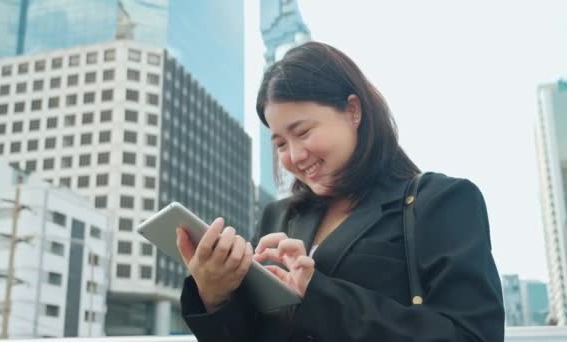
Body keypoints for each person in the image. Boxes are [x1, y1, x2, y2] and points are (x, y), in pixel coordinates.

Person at [176, 41, 505, 341]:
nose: (294, 156)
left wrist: (313, 295)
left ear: (353, 111)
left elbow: (472, 336)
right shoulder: (280, 216)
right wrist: (216, 294)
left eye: (302, 132)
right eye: (279, 143)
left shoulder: (441, 201)